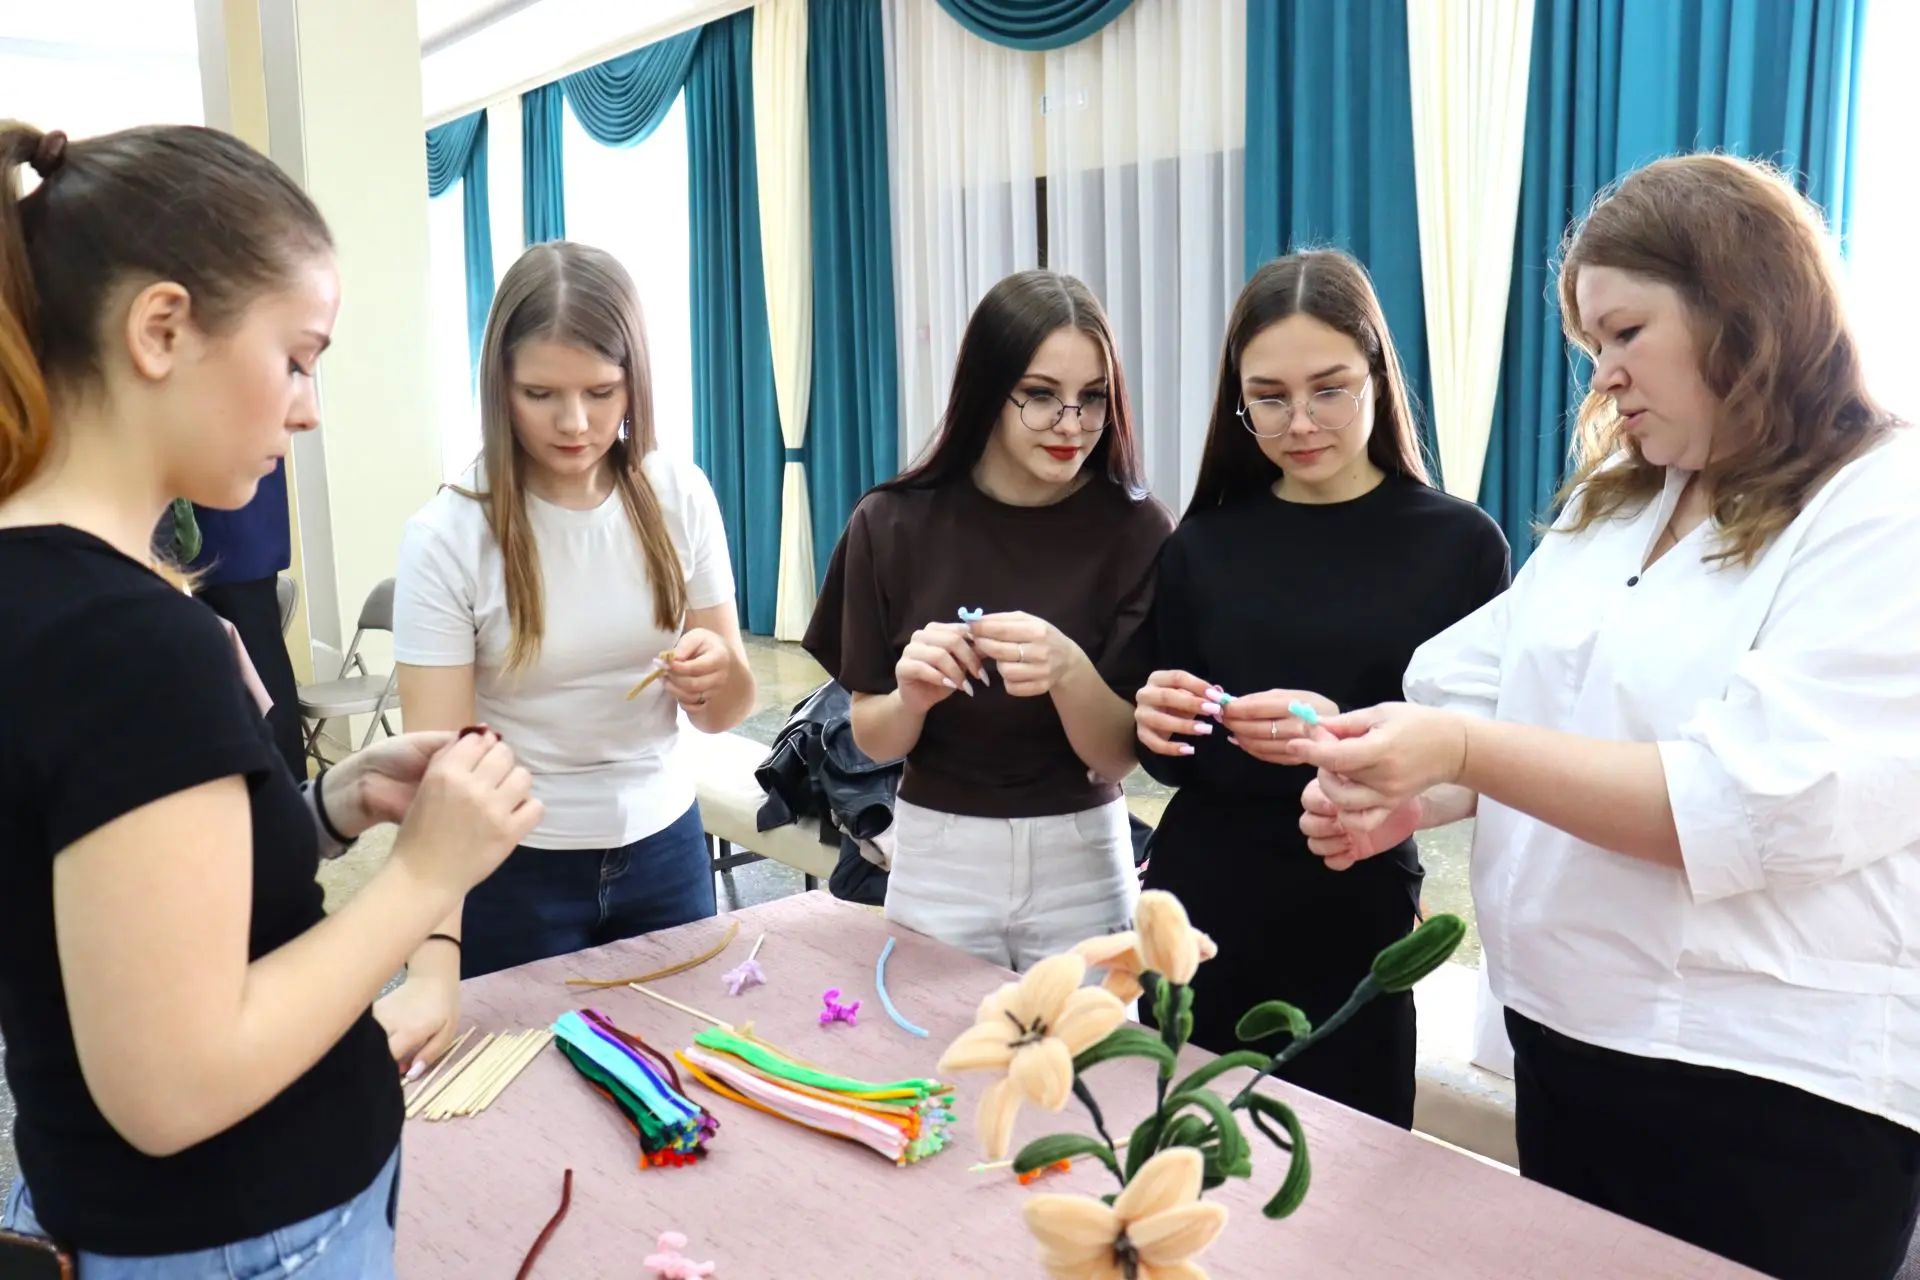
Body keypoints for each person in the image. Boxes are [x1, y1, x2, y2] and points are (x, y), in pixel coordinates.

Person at [1290, 154, 1920, 1280]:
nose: (1605, 375)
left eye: (1626, 332)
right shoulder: (1621, 500)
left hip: (1770, 1083)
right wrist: (1410, 789)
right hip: (1570, 1034)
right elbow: (1490, 696)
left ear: (1744, 309)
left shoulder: (1881, 504)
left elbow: (1746, 803)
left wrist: (1461, 751)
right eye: (1593, 345)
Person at [0, 122, 541, 1276]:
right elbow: (175, 1081)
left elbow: (110, 908)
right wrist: (424, 876)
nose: (309, 409)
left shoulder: (51, 595)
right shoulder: (127, 641)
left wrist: (323, 810)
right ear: (161, 329)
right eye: (297, 359)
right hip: (236, 1232)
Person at [1127, 250, 1509, 1127]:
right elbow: (1173, 762)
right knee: (1183, 1151)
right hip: (1203, 897)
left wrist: (1350, 744)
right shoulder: (1201, 545)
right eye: (1268, 398)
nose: (1299, 423)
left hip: (1353, 896)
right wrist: (1158, 718)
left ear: (1378, 375)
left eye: (1329, 390)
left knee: (1348, 1161)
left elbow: (1483, 763)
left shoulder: (1460, 548)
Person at [386, 241, 753, 1062]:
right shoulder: (449, 536)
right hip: (513, 866)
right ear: (499, 387)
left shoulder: (678, 493)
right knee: (520, 1093)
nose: (576, 423)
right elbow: (438, 775)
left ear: (635, 381)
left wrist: (717, 675)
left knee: (679, 1081)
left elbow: (727, 711)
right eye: (541, 394)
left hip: (665, 848)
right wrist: (432, 962)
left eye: (600, 391)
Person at [804, 270, 1173, 972]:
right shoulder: (891, 523)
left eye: (1093, 398)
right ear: (987, 389)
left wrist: (1067, 669)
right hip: (937, 856)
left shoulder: (1137, 530)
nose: (1071, 425)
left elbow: (1117, 756)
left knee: (1085, 1046)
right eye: (1041, 396)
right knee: (934, 1045)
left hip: (1084, 859)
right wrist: (912, 696)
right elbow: (874, 737)